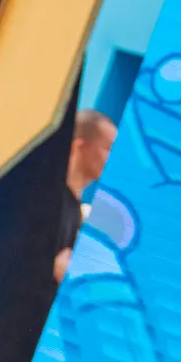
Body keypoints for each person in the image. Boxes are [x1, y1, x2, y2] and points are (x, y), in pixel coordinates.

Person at [53, 110, 117, 285]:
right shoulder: (48, 199)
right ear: (79, 147)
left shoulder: (76, 211)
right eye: (108, 148)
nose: (113, 158)